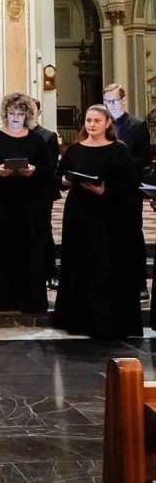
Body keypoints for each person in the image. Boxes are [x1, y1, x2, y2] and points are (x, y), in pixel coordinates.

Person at [53, 105, 142, 339]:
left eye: (96, 121)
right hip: (78, 214)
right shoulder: (74, 149)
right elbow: (59, 177)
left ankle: (105, 320)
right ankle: (77, 318)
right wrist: (64, 180)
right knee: (78, 263)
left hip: (108, 217)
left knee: (104, 265)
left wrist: (105, 190)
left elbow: (131, 186)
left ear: (107, 123)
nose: (91, 124)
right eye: (88, 120)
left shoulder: (119, 151)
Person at [0, 93, 51, 314]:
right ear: (6, 113)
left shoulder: (36, 139)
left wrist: (34, 171)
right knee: (2, 247)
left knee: (29, 247)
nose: (16, 117)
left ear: (27, 115)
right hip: (2, 199)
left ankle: (29, 299)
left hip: (29, 200)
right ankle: (2, 299)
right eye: (12, 113)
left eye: (20, 114)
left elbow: (48, 168)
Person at [103, 83, 151, 301]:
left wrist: (121, 162)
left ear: (124, 101)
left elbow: (144, 159)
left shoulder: (137, 126)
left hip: (129, 188)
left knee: (132, 235)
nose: (110, 106)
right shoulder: (102, 124)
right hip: (104, 189)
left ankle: (139, 282)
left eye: (114, 101)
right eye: (107, 102)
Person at [32, 99, 62, 290]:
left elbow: (52, 165)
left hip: (42, 190)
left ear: (39, 112)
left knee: (43, 230)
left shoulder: (48, 136)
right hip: (21, 190)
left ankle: (50, 271)